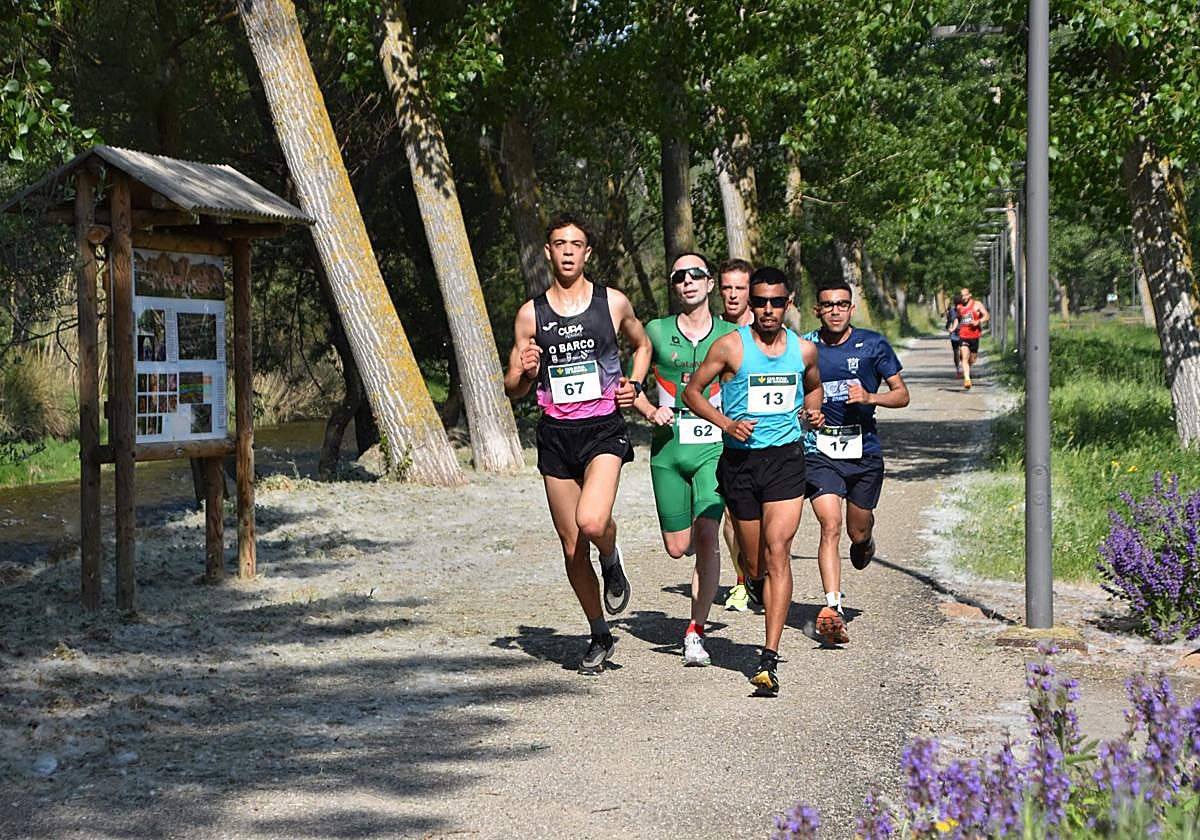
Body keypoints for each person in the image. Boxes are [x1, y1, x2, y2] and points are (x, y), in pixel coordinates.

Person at [504, 211, 651, 675]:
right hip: (555, 433)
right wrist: (524, 372)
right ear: (547, 252)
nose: (567, 251)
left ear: (587, 252)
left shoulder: (613, 303)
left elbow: (641, 345)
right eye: (559, 244)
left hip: (603, 427)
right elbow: (513, 388)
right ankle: (598, 632)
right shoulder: (531, 314)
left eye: (576, 244)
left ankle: (611, 555)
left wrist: (635, 384)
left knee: (592, 521)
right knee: (571, 546)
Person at [683, 266, 824, 697]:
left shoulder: (803, 351)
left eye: (775, 302)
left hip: (785, 460)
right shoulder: (730, 347)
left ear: (788, 302)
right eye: (759, 301)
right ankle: (758, 584)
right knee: (754, 561)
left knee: (778, 549)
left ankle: (768, 657)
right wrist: (725, 423)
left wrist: (812, 414)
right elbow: (691, 392)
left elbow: (814, 388)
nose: (766, 309)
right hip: (741, 463)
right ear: (751, 303)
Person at [632, 253, 738, 666]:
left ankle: (696, 631)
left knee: (709, 536)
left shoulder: (732, 334)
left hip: (714, 447)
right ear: (673, 286)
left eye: (697, 275)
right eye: (680, 276)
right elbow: (630, 386)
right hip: (668, 450)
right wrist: (647, 410)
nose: (688, 281)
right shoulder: (655, 332)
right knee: (679, 548)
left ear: (710, 284)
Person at [802, 280, 909, 646]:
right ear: (817, 309)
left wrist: (871, 396)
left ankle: (866, 540)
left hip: (864, 452)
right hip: (820, 453)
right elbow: (789, 397)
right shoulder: (804, 346)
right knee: (829, 524)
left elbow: (902, 395)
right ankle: (833, 607)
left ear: (851, 309)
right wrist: (807, 415)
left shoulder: (873, 344)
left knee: (855, 533)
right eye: (828, 304)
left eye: (842, 304)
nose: (835, 310)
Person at [716, 258, 755, 612]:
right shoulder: (711, 331)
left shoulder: (767, 330)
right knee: (731, 515)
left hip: (762, 441)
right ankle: (742, 581)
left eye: (739, 288)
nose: (732, 295)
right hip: (718, 435)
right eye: (727, 287)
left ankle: (761, 572)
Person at [949, 287, 989, 389]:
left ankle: (968, 368)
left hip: (974, 335)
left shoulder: (977, 304)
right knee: (964, 355)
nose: (964, 297)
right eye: (962, 296)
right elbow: (958, 319)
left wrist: (978, 321)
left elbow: (986, 316)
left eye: (965, 295)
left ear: (969, 295)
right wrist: (953, 328)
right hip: (963, 335)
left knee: (972, 358)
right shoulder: (959, 307)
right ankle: (967, 379)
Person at [944, 292, 962, 376]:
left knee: (956, 352)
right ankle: (962, 367)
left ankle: (958, 369)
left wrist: (947, 327)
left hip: (955, 334)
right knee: (961, 351)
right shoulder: (965, 310)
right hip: (962, 334)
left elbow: (949, 321)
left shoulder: (951, 311)